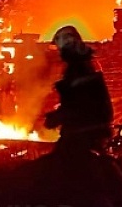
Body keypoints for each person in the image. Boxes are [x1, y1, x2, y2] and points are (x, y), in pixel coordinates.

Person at [45, 25, 114, 155]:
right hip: (89, 136)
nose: (59, 53)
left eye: (61, 49)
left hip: (82, 138)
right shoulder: (83, 66)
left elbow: (80, 105)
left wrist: (57, 117)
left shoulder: (79, 69)